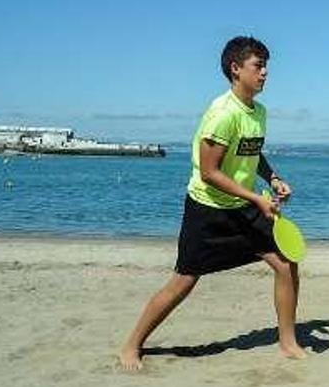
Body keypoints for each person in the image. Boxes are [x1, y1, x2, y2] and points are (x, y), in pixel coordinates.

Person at [118, 35, 303, 370]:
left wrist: (272, 178)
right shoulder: (222, 113)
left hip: (243, 206)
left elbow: (251, 151)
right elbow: (208, 172)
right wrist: (256, 200)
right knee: (184, 281)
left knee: (287, 263)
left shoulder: (258, 111)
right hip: (208, 210)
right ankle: (131, 345)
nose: (265, 73)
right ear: (236, 69)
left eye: (266, 67)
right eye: (258, 66)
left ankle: (288, 342)